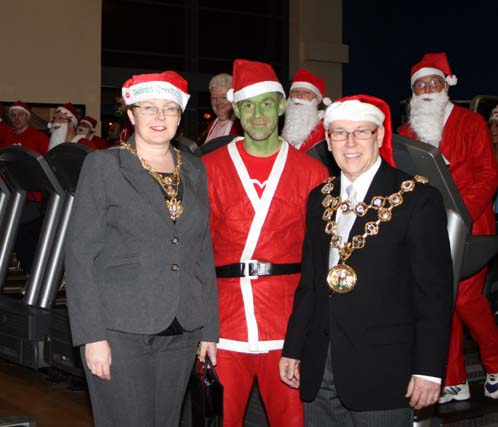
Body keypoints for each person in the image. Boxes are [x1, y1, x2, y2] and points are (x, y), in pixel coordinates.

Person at [280, 95, 454, 427]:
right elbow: (311, 283)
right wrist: (293, 347)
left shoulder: (416, 199)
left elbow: (434, 296)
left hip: (385, 373)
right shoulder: (320, 198)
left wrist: (429, 369)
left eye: (361, 132)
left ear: (379, 136)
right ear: (328, 141)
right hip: (320, 368)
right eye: (340, 133)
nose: (350, 143)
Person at [65, 71, 219, 427]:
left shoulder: (195, 171)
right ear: (131, 114)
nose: (159, 117)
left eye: (169, 109)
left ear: (180, 117)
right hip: (119, 330)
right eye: (148, 107)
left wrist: (209, 328)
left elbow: (201, 252)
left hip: (182, 328)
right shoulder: (103, 165)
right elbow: (80, 254)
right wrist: (91, 336)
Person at [203, 59, 329, 427]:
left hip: (286, 326)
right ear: (236, 110)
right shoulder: (209, 167)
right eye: (248, 105)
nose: (258, 114)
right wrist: (201, 329)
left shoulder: (312, 172)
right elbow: (195, 252)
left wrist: (311, 331)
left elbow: (321, 260)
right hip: (225, 325)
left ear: (281, 105)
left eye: (265, 103)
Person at [399, 52, 498, 403]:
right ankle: (453, 378)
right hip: (427, 232)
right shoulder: (406, 133)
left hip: (471, 228)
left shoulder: (471, 123)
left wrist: (457, 212)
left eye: (434, 83)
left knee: (468, 300)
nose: (427, 90)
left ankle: (495, 366)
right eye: (420, 85)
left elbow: (488, 174)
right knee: (440, 303)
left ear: (447, 87)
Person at [281, 68, 331, 152]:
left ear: (318, 99)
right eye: (295, 91)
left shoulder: (327, 127)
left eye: (306, 93)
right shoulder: (282, 125)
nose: (299, 96)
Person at [203, 73, 242, 144]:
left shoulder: (241, 126)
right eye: (214, 97)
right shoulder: (212, 125)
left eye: (224, 97)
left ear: (234, 98)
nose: (218, 102)